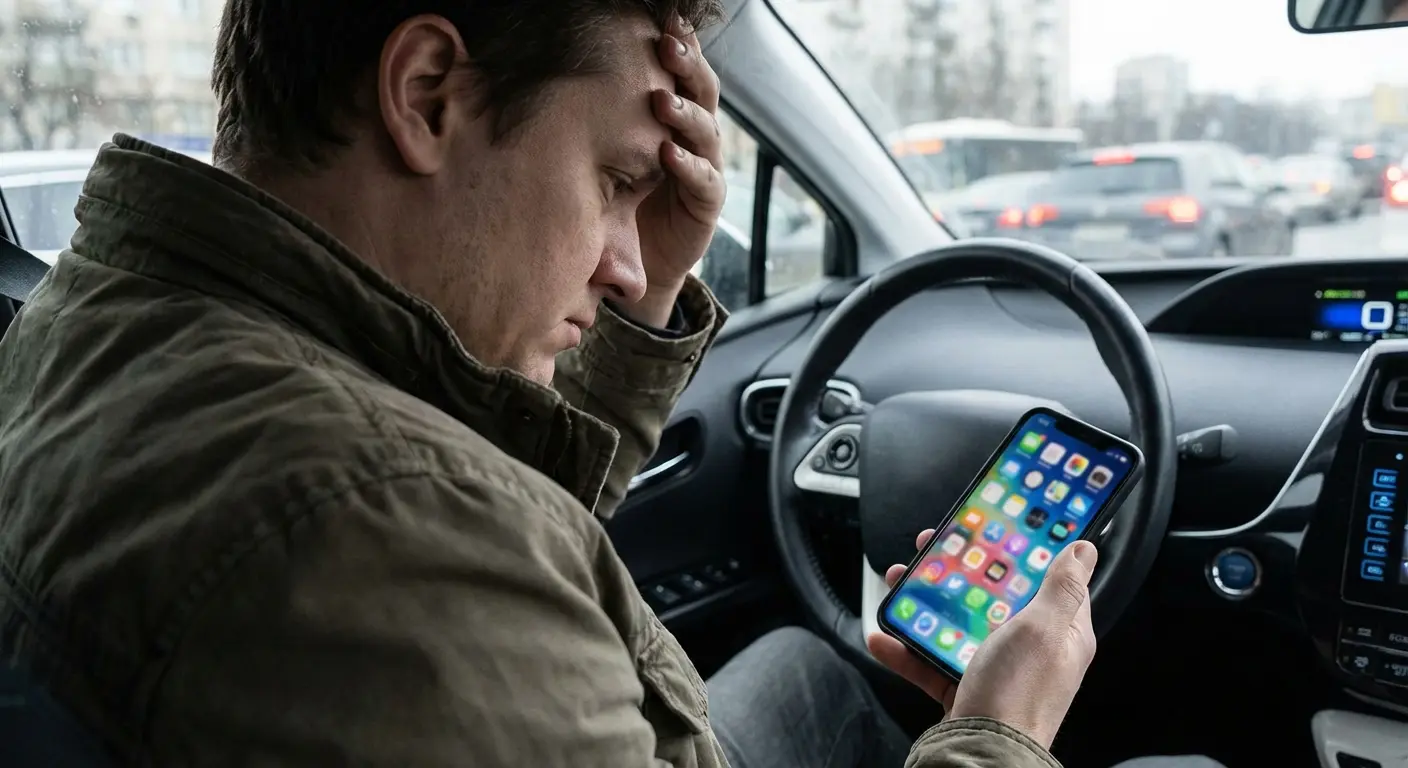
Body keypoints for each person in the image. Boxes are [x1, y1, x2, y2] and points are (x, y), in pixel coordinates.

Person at [0, 2, 1223, 766]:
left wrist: (640, 307)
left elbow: (470, 512)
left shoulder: (102, 315)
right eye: (613, 180)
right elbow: (445, 529)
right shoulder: (374, 531)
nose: (632, 260)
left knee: (807, 674)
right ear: (427, 94)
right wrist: (995, 736)